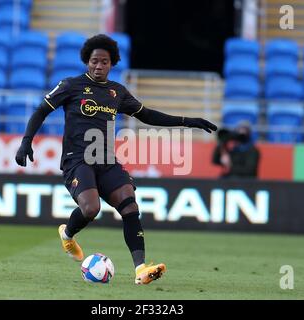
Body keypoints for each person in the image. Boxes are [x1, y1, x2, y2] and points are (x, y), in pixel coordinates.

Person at [15, 34, 217, 285]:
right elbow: (41, 111)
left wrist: (188, 121)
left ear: (112, 64)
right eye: (94, 61)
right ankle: (67, 235)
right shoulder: (70, 85)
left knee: (130, 207)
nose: (98, 66)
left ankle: (141, 269)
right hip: (77, 160)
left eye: (104, 62)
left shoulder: (117, 92)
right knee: (91, 209)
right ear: (86, 62)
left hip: (107, 160)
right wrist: (26, 142)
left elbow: (148, 115)